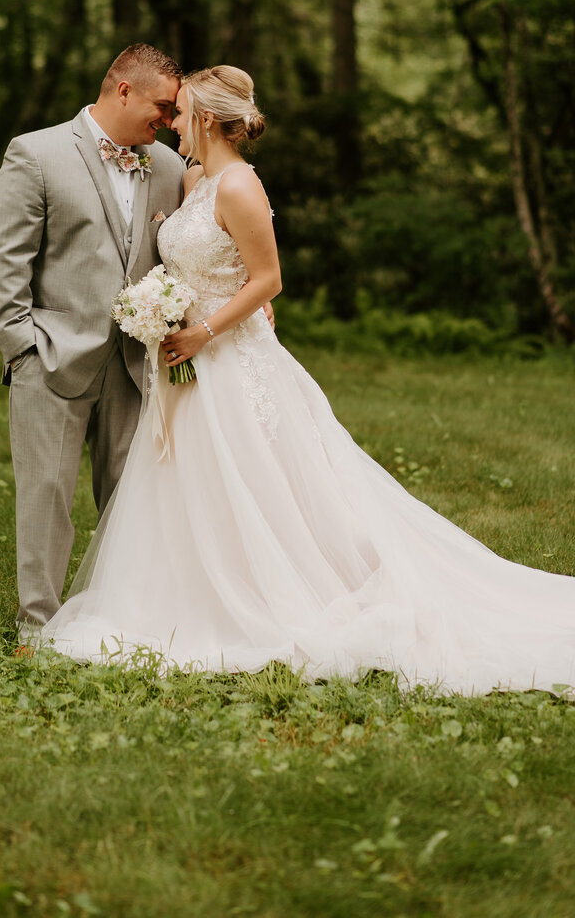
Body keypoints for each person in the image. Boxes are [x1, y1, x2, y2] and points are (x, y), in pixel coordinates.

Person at [42, 65, 575, 696]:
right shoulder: (194, 178)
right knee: (190, 485)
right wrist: (166, 308)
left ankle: (276, 593)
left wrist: (203, 330)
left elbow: (268, 280)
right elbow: (201, 259)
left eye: (180, 114)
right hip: (185, 365)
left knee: (261, 484)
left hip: (230, 360)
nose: (171, 125)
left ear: (207, 119)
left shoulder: (240, 185)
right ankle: (180, 597)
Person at [0, 44, 185, 645]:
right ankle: (36, 627)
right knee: (45, 498)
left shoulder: (171, 168)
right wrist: (23, 347)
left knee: (132, 500)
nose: (170, 122)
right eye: (163, 107)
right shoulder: (36, 152)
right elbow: (4, 261)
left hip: (132, 364)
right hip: (50, 357)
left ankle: (123, 620)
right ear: (123, 89)